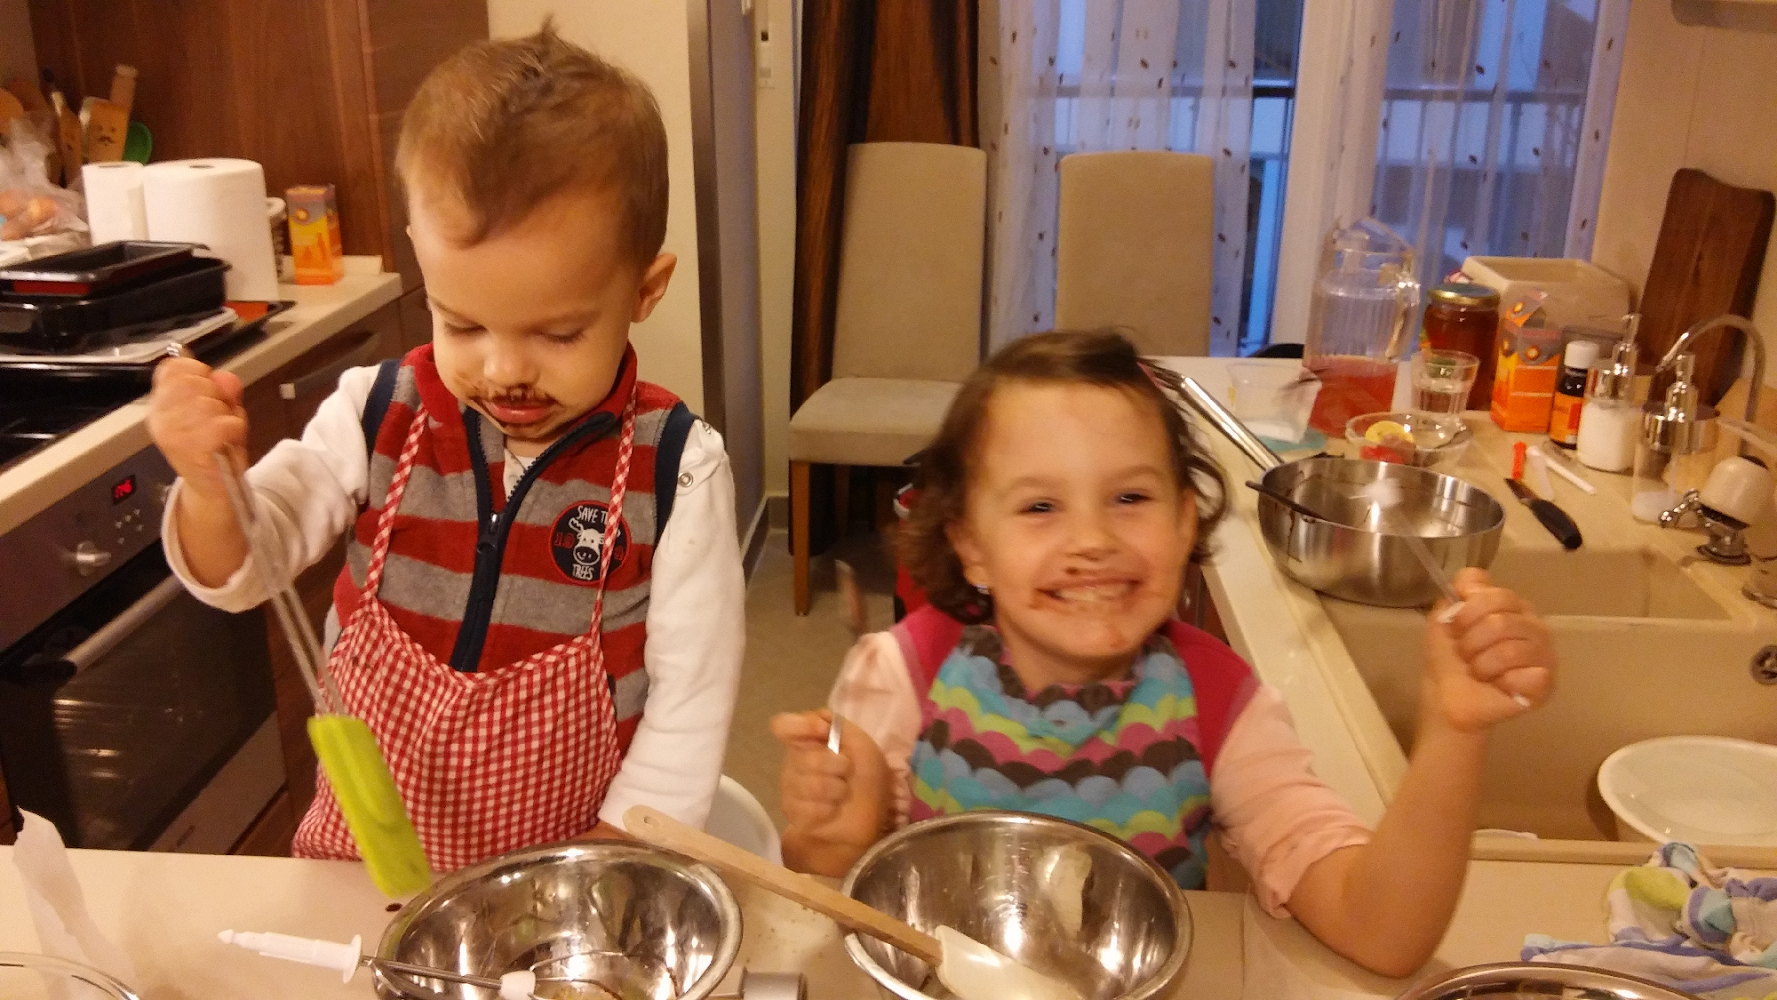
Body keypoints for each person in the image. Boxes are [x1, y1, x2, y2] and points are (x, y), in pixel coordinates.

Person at [146, 24, 745, 871]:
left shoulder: (676, 469)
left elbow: (691, 702)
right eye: (461, 324)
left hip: (564, 875)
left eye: (558, 334)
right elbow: (246, 570)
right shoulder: (375, 414)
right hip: (365, 866)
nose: (504, 371)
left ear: (644, 290)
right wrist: (212, 491)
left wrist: (616, 861)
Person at [773, 330, 1555, 977]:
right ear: (971, 546)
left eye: (1130, 498)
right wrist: (834, 839)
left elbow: (1381, 934)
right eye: (1040, 506)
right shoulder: (900, 679)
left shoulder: (1218, 705)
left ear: (1185, 523)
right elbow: (827, 905)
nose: (1092, 540)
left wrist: (1453, 731)